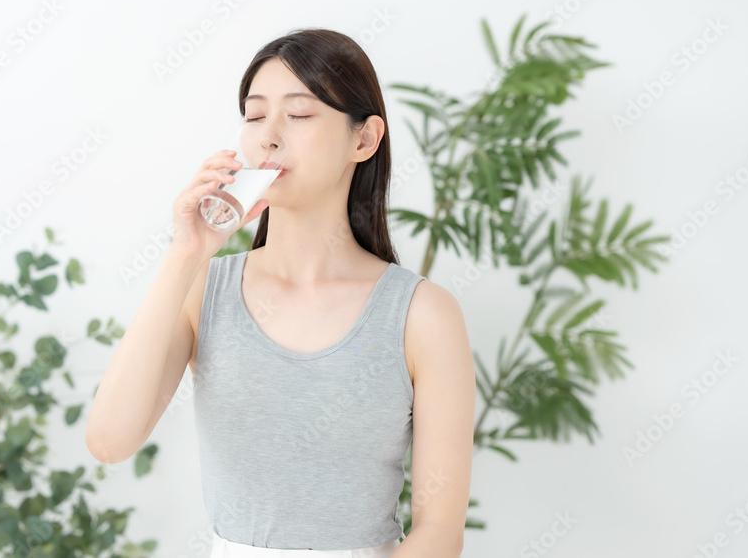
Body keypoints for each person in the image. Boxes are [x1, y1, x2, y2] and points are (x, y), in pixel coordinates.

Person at [86, 28, 475, 558]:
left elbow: (440, 530)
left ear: (363, 139)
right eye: (254, 116)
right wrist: (185, 255)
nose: (268, 136)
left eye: (299, 114)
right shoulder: (204, 289)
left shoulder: (422, 314)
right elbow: (110, 441)